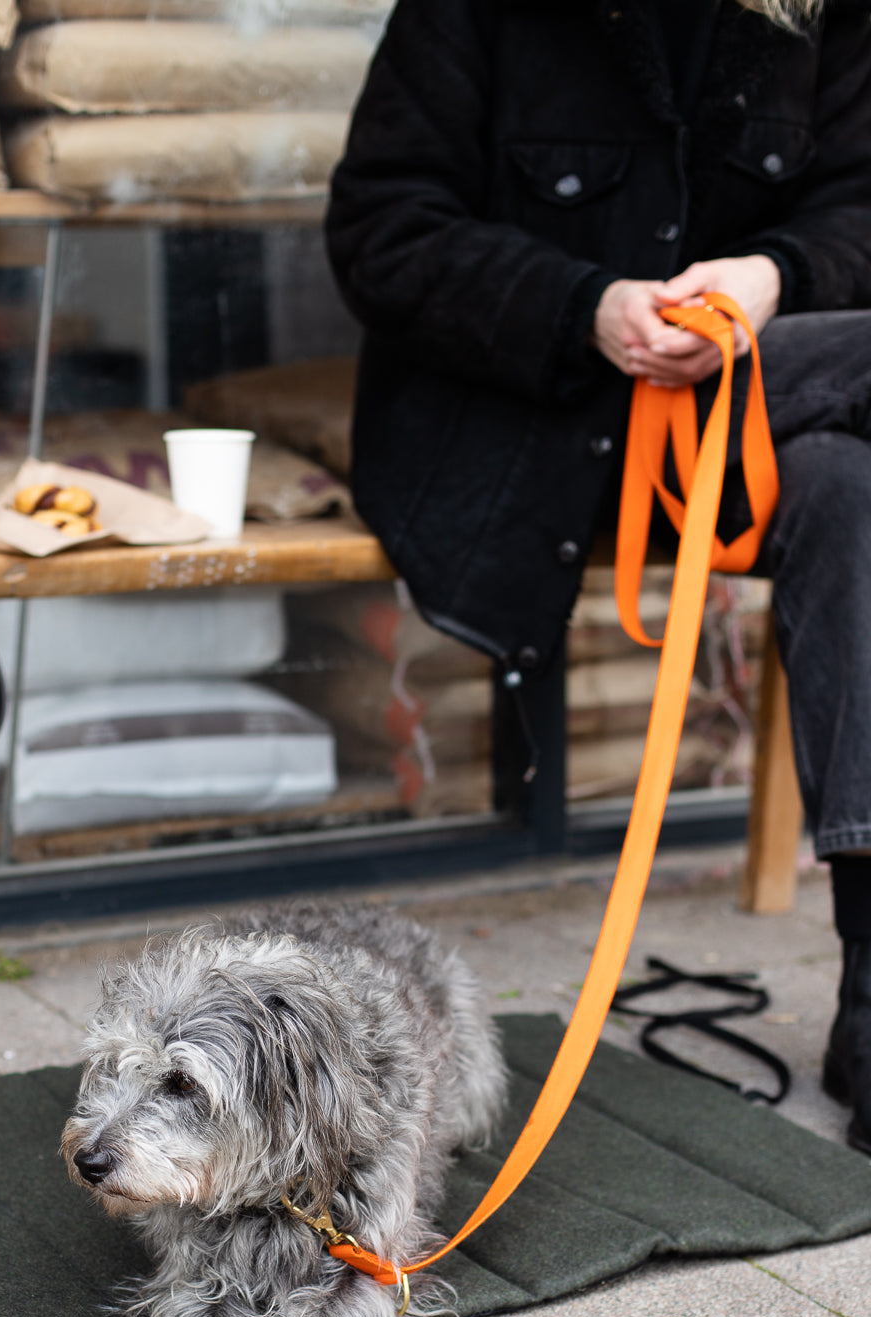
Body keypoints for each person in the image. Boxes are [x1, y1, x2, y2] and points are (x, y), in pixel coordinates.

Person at [325, 0, 871, 1154]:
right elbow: (381, 229)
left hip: (757, 413)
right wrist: (590, 309)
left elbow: (860, 205)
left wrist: (774, 276)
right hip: (534, 423)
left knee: (852, 497)